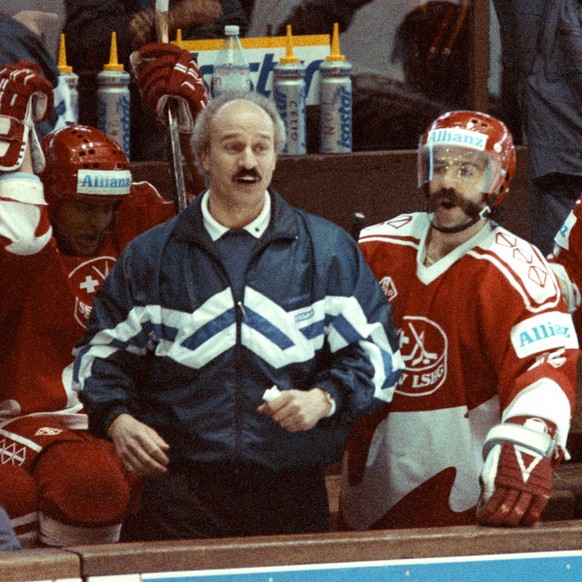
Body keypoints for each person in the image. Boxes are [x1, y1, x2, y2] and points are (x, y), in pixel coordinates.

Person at [73, 89, 403, 541]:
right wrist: (118, 421)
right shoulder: (151, 256)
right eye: (232, 146)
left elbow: (380, 357)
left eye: (261, 147)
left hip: (292, 489)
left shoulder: (327, 252)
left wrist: (323, 398)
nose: (248, 161)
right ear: (203, 157)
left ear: (274, 158)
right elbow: (97, 357)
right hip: (180, 495)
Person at [339, 110, 579, 530]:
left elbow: (545, 367)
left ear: (497, 182)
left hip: (464, 496)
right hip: (370, 484)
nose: (449, 182)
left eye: (468, 170)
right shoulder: (374, 247)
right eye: (440, 166)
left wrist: (529, 436)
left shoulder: (519, 269)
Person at [0, 60, 182, 547]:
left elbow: (209, 220)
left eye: (107, 208)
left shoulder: (128, 224)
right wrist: (8, 152)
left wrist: (192, 124)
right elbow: (16, 239)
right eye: (84, 206)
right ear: (52, 197)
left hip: (118, 421)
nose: (98, 222)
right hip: (23, 422)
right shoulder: (26, 238)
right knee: (75, 485)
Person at [63, 0, 247, 161]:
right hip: (122, 131)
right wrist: (168, 19)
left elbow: (234, 23)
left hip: (199, 122)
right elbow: (84, 38)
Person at [492, 0, 582, 255]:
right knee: (562, 268)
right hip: (560, 150)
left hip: (558, 147)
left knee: (562, 269)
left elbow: (520, 54)